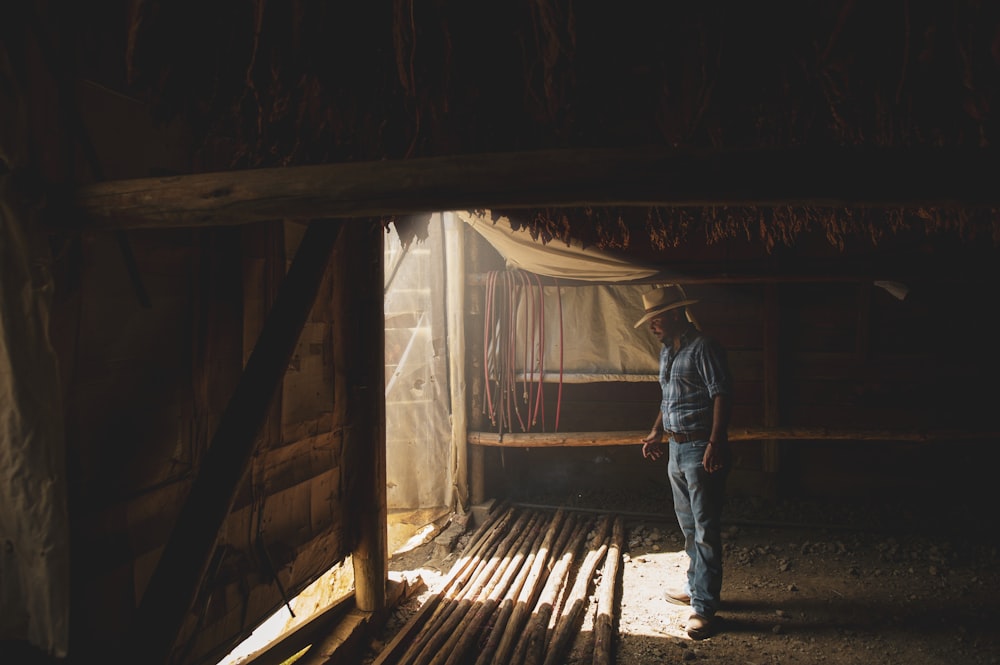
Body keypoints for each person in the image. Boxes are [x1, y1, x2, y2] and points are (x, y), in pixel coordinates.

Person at [635, 284, 733, 640]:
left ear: (676, 314)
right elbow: (668, 398)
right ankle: (697, 589)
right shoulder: (668, 352)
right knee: (689, 526)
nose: (652, 325)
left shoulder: (704, 347)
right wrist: (656, 431)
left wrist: (716, 442)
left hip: (699, 447)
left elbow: (721, 393)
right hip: (676, 448)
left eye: (656, 318)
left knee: (705, 528)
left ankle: (704, 609)